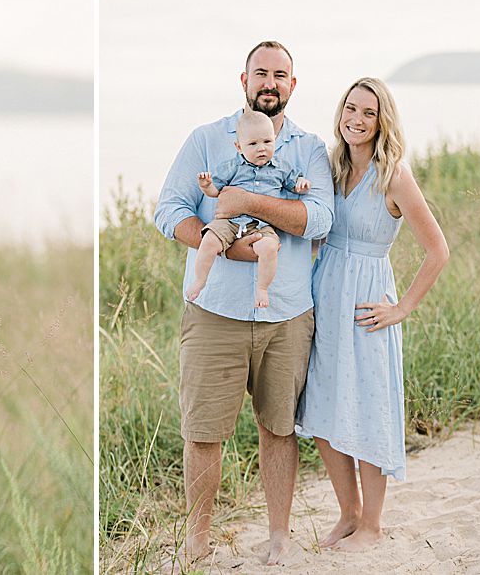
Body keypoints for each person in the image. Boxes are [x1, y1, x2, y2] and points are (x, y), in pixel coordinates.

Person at [152, 40, 334, 567]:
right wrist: (227, 246)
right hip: (214, 314)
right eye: (261, 73)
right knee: (204, 431)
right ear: (244, 80)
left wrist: (248, 203)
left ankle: (279, 535)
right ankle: (198, 539)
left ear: (293, 86)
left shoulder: (308, 148)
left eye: (280, 75)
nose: (270, 83)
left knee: (279, 430)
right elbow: (170, 210)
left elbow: (320, 219)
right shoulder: (206, 139)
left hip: (288, 316)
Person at [295, 77, 448, 552]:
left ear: (383, 121)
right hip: (325, 297)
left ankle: (374, 526)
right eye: (351, 109)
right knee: (320, 410)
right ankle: (349, 514)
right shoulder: (332, 165)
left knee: (367, 410)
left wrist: (402, 308)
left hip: (366, 305)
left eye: (368, 112)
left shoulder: (394, 174)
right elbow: (317, 228)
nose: (356, 120)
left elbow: (437, 250)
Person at [188, 110, 312, 308]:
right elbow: (215, 191)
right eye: (253, 144)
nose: (261, 148)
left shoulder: (281, 167)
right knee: (209, 240)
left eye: (267, 142)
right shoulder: (232, 167)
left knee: (270, 248)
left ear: (275, 141)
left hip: (261, 225)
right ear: (239, 147)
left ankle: (262, 289)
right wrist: (206, 186)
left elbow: (293, 183)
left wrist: (301, 184)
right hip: (229, 222)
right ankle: (200, 280)